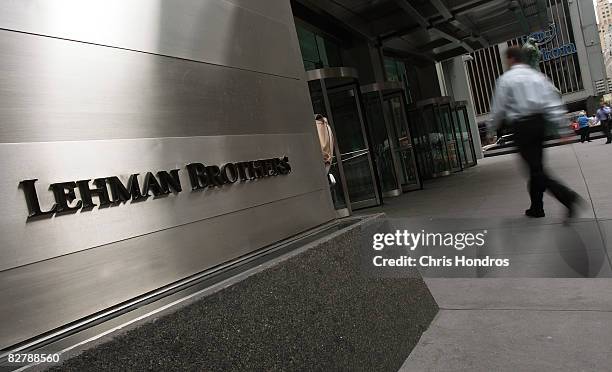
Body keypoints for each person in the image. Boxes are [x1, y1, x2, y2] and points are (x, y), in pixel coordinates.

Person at [489, 47, 581, 218]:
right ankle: (537, 208)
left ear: (510, 59)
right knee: (535, 168)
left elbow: (498, 107)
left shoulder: (506, 79)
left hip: (521, 127)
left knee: (535, 170)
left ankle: (567, 197)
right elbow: (552, 103)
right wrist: (563, 128)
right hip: (538, 124)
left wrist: (491, 127)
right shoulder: (538, 77)